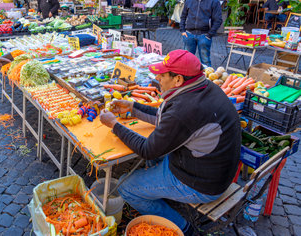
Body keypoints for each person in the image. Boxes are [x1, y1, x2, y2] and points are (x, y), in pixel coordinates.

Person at [99, 50, 241, 235]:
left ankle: (183, 227)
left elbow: (147, 149)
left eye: (162, 75)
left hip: (202, 183)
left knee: (126, 186)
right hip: (210, 168)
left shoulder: (185, 109)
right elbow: (167, 119)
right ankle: (158, 192)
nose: (157, 78)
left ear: (178, 80)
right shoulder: (203, 87)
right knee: (152, 160)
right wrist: (133, 107)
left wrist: (114, 124)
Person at [180, 0, 222, 67]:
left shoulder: (214, 1)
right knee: (186, 60)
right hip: (189, 35)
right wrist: (183, 31)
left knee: (205, 61)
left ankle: (206, 80)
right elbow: (183, 16)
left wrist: (210, 34)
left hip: (204, 36)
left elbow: (218, 20)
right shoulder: (190, 0)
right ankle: (188, 79)